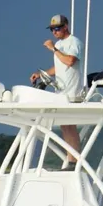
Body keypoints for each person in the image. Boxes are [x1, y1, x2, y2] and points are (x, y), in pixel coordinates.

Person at [30, 14, 83, 167]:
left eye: (57, 28)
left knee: (70, 125)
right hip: (60, 92)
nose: (54, 32)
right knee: (64, 125)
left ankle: (74, 161)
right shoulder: (59, 46)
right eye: (52, 30)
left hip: (72, 92)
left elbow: (70, 61)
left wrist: (53, 48)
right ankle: (70, 159)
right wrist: (41, 74)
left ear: (66, 26)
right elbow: (60, 66)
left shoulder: (74, 42)